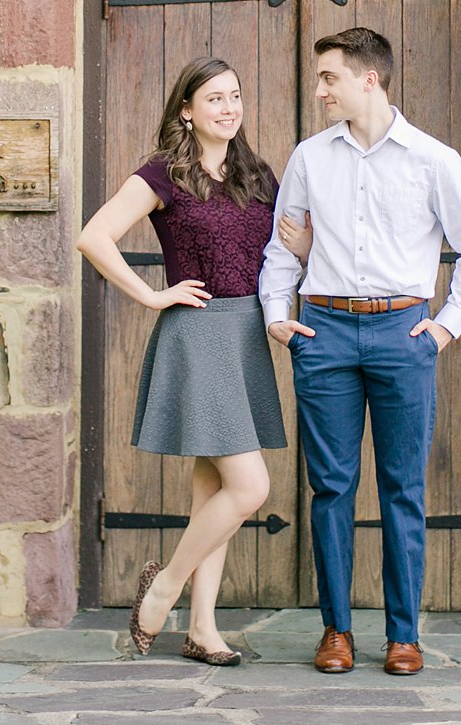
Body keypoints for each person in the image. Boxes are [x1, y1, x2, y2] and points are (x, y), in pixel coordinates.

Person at [258, 27, 461, 676]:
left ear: (369, 78)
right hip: (325, 333)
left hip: (404, 334)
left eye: (329, 78)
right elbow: (284, 247)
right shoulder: (310, 158)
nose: (319, 90)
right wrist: (276, 315)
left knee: (402, 488)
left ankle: (403, 633)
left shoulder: (434, 159)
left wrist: (445, 326)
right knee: (331, 486)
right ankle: (335, 630)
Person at [75, 56, 309, 666]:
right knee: (250, 486)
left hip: (246, 337)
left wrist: (297, 273)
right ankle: (165, 589)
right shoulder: (163, 173)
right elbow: (94, 237)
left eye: (235, 96)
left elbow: (290, 247)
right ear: (187, 109)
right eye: (214, 98)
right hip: (199, 334)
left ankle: (203, 628)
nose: (229, 108)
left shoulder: (257, 174)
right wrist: (153, 295)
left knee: (214, 491)